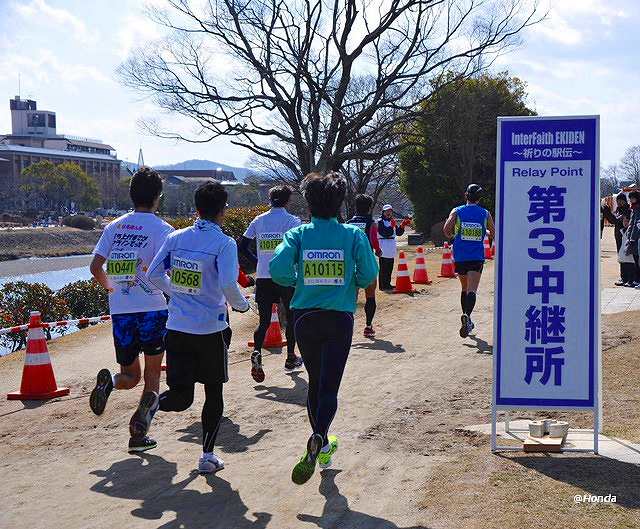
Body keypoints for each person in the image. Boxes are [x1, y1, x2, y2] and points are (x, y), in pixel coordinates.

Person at [270, 172, 378, 485]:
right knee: (330, 387)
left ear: (309, 201)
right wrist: (348, 282)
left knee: (315, 383)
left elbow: (277, 269)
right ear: (340, 201)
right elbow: (368, 273)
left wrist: (298, 281)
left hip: (304, 317)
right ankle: (319, 435)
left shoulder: (299, 234)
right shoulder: (353, 235)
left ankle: (321, 440)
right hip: (340, 317)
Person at [147, 181, 250, 473]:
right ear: (223, 210)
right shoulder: (224, 243)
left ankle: (152, 406)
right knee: (213, 393)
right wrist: (242, 306)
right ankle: (207, 457)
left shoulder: (175, 238)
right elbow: (230, 284)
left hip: (177, 327)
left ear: (196, 208)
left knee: (181, 397)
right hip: (210, 329)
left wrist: (175, 291)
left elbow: (153, 274)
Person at [89, 166, 174, 453]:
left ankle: (110, 383)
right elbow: (167, 272)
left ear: (131, 194)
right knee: (151, 376)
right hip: (152, 309)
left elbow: (95, 267)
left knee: (129, 375)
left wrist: (112, 289)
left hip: (121, 310)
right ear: (157, 197)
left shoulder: (113, 226)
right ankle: (138, 434)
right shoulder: (164, 230)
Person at [238, 185, 303, 382]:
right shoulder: (292, 221)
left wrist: (258, 260)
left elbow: (242, 245)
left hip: (264, 275)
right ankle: (291, 357)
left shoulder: (259, 220)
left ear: (270, 198)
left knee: (264, 321)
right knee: (291, 317)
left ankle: (257, 351)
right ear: (287, 200)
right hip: (285, 276)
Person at [443, 183, 495, 339]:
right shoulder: (485, 213)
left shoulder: (457, 211)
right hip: (476, 256)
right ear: (479, 198)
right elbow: (493, 232)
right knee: (472, 290)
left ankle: (467, 318)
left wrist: (454, 238)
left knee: (464, 288)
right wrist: (484, 232)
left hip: (459, 255)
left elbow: (446, 230)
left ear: (466, 195)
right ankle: (467, 315)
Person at [347, 194, 382, 337]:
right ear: (370, 207)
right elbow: (374, 240)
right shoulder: (371, 223)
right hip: (366, 262)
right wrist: (379, 251)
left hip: (351, 262)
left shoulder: (348, 223)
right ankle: (368, 326)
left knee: (351, 297)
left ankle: (348, 326)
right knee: (370, 295)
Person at [377, 205, 411, 291]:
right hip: (383, 245)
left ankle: (387, 284)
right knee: (383, 267)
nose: (389, 213)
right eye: (386, 211)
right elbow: (385, 233)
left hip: (391, 245)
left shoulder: (392, 221)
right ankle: (382, 285)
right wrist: (391, 226)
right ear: (383, 212)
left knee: (390, 266)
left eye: (390, 211)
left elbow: (398, 233)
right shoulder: (380, 221)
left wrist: (403, 225)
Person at [609, 193, 634, 286]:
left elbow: (615, 220)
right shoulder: (618, 210)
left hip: (626, 237)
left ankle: (629, 278)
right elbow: (614, 220)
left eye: (621, 200)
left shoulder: (628, 210)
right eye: (618, 200)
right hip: (618, 236)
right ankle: (623, 277)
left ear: (625, 200)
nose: (619, 202)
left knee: (627, 257)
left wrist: (607, 211)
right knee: (621, 257)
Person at [625, 190, 640, 288]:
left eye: (632, 197)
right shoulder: (634, 208)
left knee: (637, 260)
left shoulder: (638, 208)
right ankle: (637, 279)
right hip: (633, 238)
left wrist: (632, 238)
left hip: (636, 239)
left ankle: (638, 280)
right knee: (636, 260)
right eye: (630, 198)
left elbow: (636, 225)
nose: (630, 199)